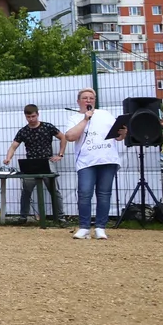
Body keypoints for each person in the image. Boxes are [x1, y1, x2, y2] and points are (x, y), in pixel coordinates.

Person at [63, 88, 127, 240]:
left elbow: (117, 137)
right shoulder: (74, 118)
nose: (88, 100)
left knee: (104, 194)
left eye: (91, 98)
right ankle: (84, 227)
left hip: (107, 159)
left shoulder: (105, 114)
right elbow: (70, 136)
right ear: (78, 101)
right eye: (85, 98)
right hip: (86, 161)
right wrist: (85, 119)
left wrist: (123, 132)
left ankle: (100, 227)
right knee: (85, 193)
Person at [2, 104, 66, 222]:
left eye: (33, 116)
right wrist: (8, 158)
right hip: (30, 163)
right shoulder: (23, 131)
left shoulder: (47, 127)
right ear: (25, 116)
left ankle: (60, 216)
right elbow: (13, 146)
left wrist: (60, 154)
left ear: (37, 114)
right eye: (28, 117)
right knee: (26, 191)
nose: (31, 119)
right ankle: (23, 217)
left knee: (54, 190)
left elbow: (63, 137)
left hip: (47, 161)